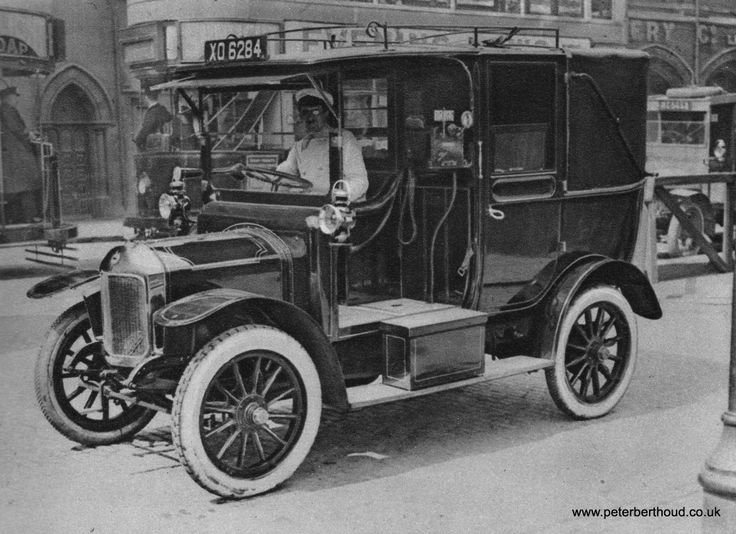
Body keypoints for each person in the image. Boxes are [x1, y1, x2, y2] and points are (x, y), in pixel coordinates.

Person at [276, 88, 368, 202]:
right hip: (309, 203)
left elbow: (359, 181)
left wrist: (338, 198)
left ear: (326, 113)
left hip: (334, 205)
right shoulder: (300, 146)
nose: (310, 118)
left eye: (316, 111)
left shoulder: (343, 139)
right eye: (305, 112)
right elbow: (285, 172)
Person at [0, 86, 42, 224]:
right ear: (8, 98)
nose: (16, 100)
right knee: (26, 184)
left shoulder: (6, 109)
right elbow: (17, 129)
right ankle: (28, 217)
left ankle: (25, 217)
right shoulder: (7, 109)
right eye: (15, 97)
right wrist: (29, 135)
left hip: (16, 154)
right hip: (16, 154)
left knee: (23, 187)